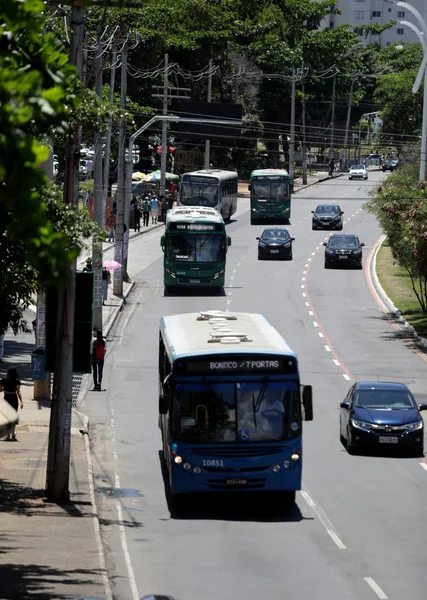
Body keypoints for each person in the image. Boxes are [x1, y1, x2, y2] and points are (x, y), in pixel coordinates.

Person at [0, 367, 23, 441]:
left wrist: (4, 389)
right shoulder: (17, 381)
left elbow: (0, 389)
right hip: (14, 399)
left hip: (7, 399)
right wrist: (21, 401)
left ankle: (8, 436)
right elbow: (18, 391)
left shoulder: (4, 380)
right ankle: (13, 433)